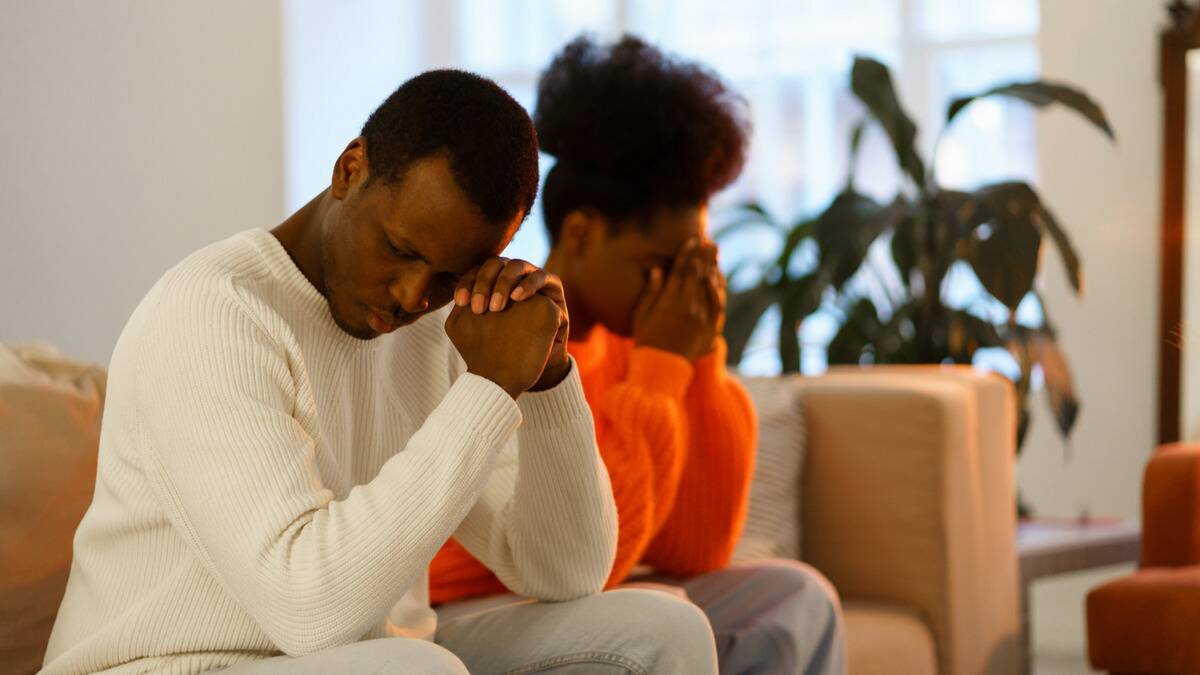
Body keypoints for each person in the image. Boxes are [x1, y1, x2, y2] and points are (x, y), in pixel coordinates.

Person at [41, 69, 718, 675]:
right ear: (349, 169)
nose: (410, 295)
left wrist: (547, 379)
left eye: (448, 275)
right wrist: (484, 391)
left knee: (662, 629)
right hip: (168, 664)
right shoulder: (213, 313)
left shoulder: (436, 326)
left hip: (370, 655)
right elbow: (305, 608)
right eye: (398, 248)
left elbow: (567, 568)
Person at [430, 37, 846, 675]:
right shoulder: (500, 328)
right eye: (660, 266)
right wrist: (661, 366)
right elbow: (591, 561)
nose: (675, 290)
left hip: (578, 599)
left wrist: (697, 354)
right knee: (661, 610)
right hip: (477, 606)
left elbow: (698, 546)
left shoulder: (647, 345)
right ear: (582, 233)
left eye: (692, 266)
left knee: (794, 599)